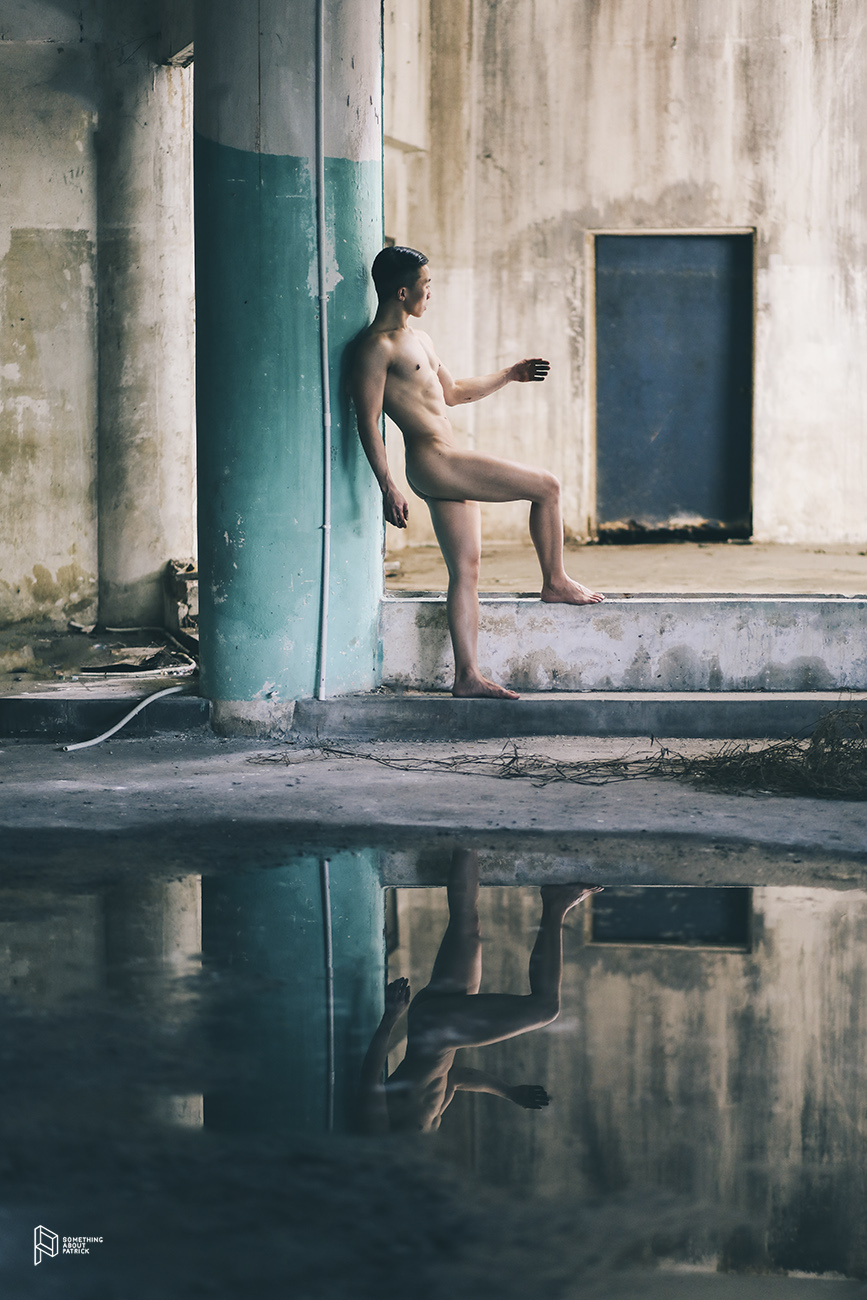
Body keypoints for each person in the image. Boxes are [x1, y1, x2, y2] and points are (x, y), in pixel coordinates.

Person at [351, 245, 604, 702]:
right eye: (426, 286)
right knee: (547, 487)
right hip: (434, 461)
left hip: (444, 460)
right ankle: (555, 582)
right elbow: (368, 421)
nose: (431, 293)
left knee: (465, 571)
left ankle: (466, 676)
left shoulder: (421, 340)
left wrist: (510, 374)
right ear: (403, 291)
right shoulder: (375, 347)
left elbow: (453, 392)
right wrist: (387, 485)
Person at [356, 848, 602, 1135]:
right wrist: (509, 1092)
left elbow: (369, 1080)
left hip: (437, 1032)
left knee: (545, 1008)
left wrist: (389, 1018)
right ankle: (466, 841)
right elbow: (454, 1078)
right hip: (435, 1030)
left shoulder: (380, 1139)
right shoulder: (426, 1130)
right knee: (467, 925)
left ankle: (555, 904)